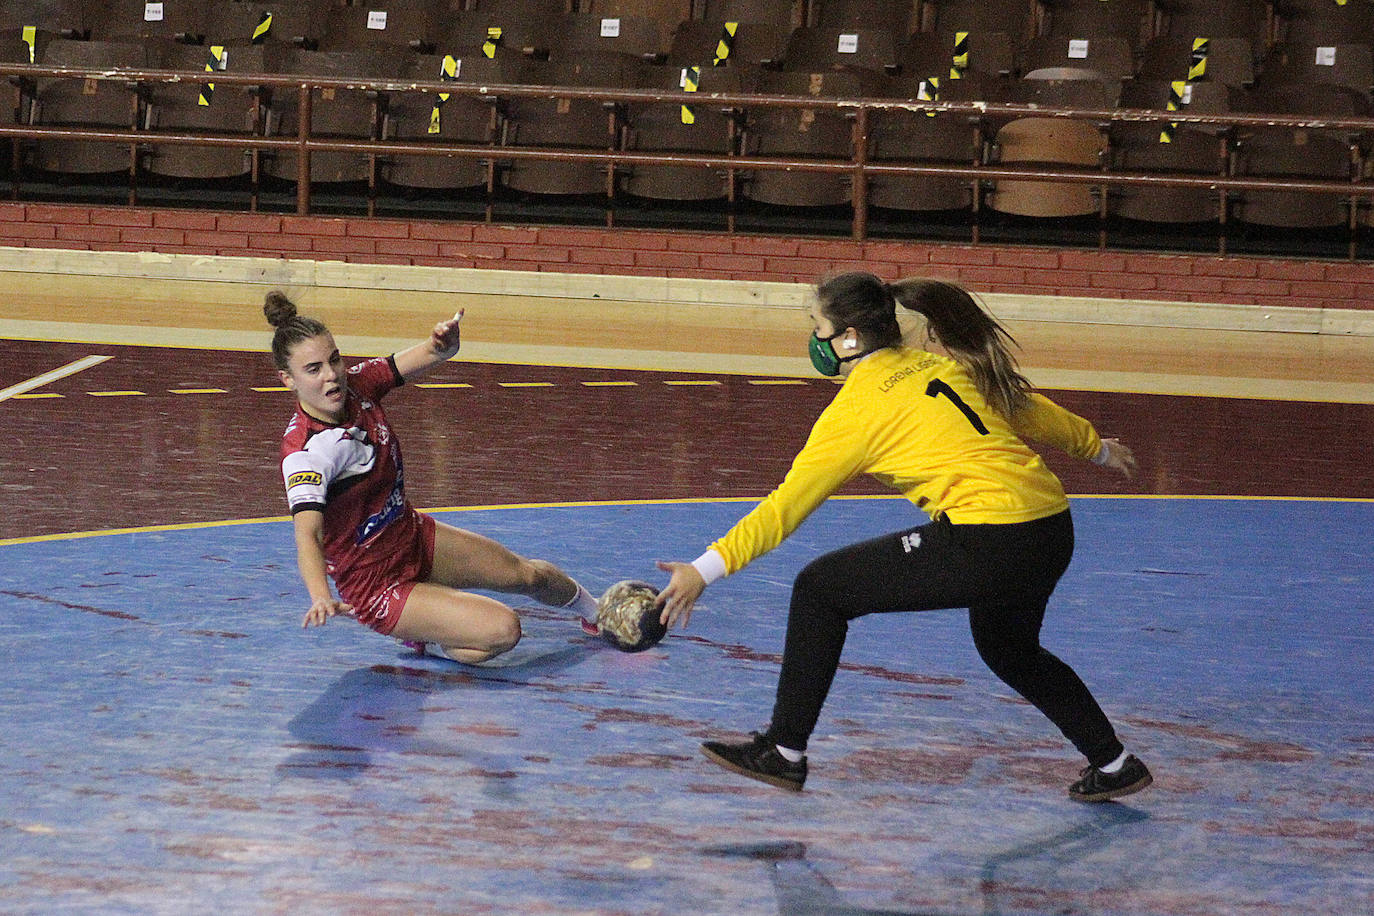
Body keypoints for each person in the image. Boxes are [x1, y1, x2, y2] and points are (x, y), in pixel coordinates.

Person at [655, 272, 1152, 802]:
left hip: (991, 539)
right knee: (1010, 649)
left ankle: (783, 751)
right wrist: (1095, 447)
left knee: (820, 590)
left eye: (815, 325)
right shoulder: (939, 365)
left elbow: (785, 508)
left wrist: (704, 568)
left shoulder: (857, 410)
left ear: (848, 338)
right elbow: (1027, 407)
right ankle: (1115, 763)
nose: (812, 337)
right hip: (1049, 528)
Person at [267, 291, 600, 663]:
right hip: (377, 586)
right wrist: (319, 595)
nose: (331, 376)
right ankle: (429, 638)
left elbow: (427, 354)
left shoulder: (358, 386)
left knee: (527, 576)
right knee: (504, 629)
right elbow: (307, 535)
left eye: (334, 360)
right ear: (287, 379)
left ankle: (600, 614)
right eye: (313, 370)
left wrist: (443, 345)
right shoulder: (305, 454)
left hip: (411, 537)